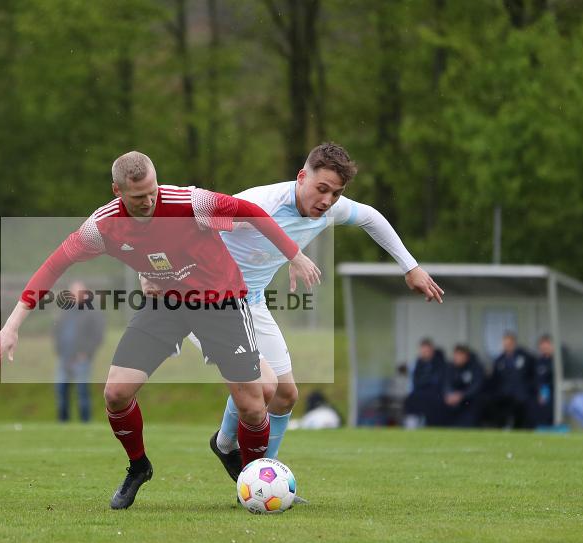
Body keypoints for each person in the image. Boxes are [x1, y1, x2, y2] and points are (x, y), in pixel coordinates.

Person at [0, 151, 320, 509]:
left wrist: (294, 254)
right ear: (117, 191)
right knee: (116, 393)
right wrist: (12, 324)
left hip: (220, 303)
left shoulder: (190, 202)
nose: (148, 202)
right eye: (138, 197)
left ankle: (252, 482)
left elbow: (250, 211)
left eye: (152, 191)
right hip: (165, 305)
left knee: (254, 405)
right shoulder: (102, 226)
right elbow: (54, 265)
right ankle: (138, 467)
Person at [141, 143, 443, 477]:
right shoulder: (259, 205)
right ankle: (248, 469)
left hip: (251, 303)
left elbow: (371, 217)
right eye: (322, 188)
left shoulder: (329, 209)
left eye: (336, 193)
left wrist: (410, 267)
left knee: (285, 395)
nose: (327, 200)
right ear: (301, 177)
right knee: (261, 387)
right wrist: (150, 271)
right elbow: (181, 224)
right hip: (204, 304)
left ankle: (257, 470)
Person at [53, 280, 105, 422]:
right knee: (61, 391)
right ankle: (62, 423)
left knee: (82, 392)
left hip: (82, 359)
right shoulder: (65, 312)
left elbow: (98, 336)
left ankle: (85, 423)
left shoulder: (92, 312)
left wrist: (86, 353)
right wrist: (59, 350)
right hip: (64, 358)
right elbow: (57, 332)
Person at [485, 331, 536, 429]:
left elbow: (533, 374)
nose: (507, 346)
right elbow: (494, 380)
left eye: (509, 343)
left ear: (514, 343)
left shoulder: (525, 357)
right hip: (505, 395)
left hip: (522, 396)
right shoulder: (499, 360)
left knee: (522, 416)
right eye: (505, 344)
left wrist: (530, 388)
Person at [404, 338, 447, 428]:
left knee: (432, 401)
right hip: (419, 393)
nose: (424, 353)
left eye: (427, 351)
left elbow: (438, 381)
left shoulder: (440, 363)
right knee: (411, 399)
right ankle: (412, 425)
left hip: (436, 394)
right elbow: (416, 382)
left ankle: (430, 425)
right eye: (423, 351)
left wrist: (425, 381)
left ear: (432, 350)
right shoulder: (417, 364)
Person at [442, 344, 485, 427]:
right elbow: (446, 383)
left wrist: (462, 395)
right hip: (453, 399)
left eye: (460, 355)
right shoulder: (449, 367)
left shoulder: (476, 367)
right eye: (456, 355)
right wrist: (449, 394)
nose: (457, 358)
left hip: (469, 400)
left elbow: (476, 386)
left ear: (466, 356)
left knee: (474, 403)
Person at [532, 334, 555, 427]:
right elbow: (535, 380)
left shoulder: (555, 361)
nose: (544, 347)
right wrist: (540, 392)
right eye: (542, 345)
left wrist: (545, 392)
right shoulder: (537, 362)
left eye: (547, 345)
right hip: (539, 393)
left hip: (552, 394)